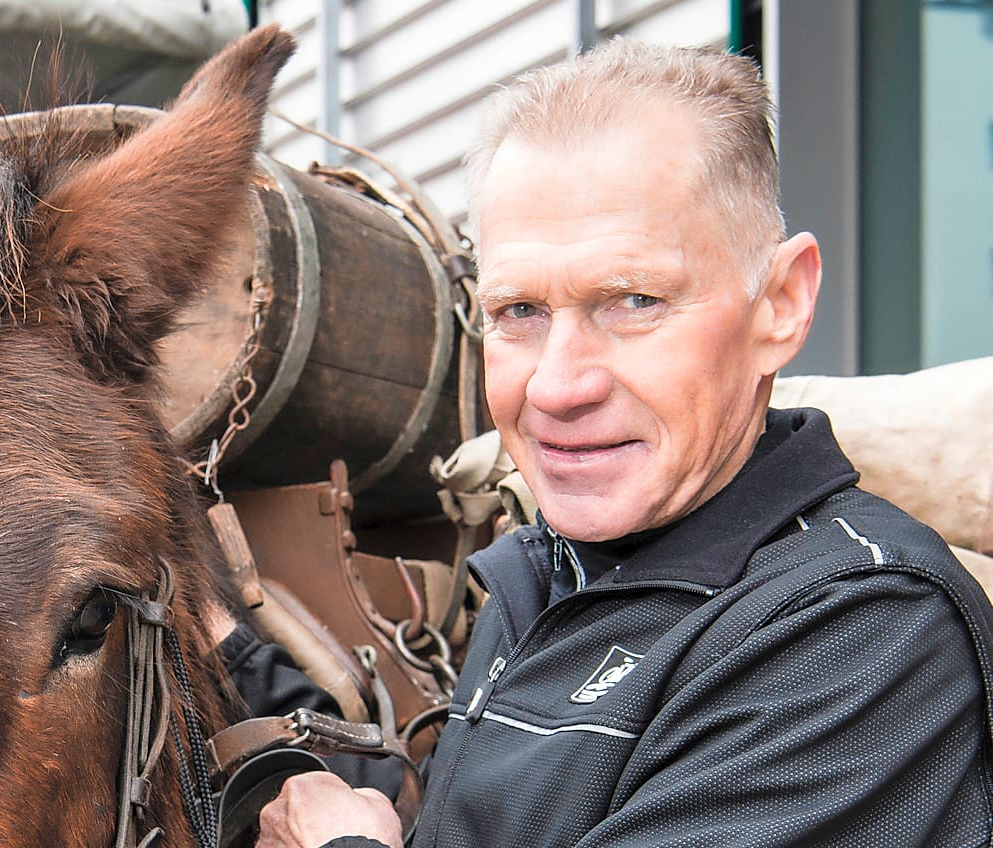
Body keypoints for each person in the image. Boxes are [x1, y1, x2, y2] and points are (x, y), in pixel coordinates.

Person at [250, 39, 993, 847]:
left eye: (633, 300)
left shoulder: (860, 634)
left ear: (780, 302)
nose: (557, 387)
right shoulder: (549, 571)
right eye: (518, 312)